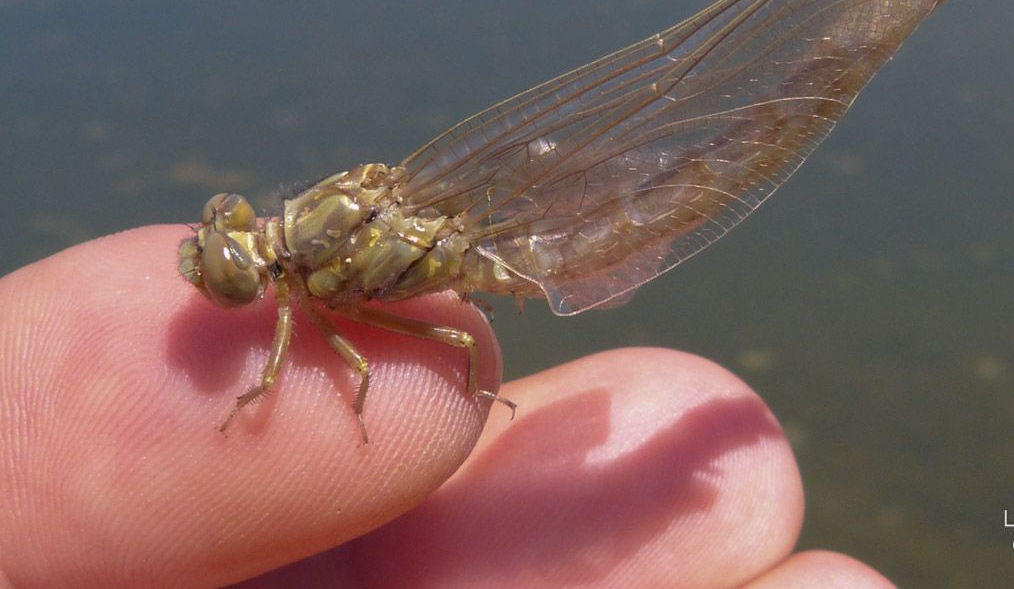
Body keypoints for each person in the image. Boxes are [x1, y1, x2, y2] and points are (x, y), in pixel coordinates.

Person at [0, 226, 894, 588]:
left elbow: (302, 365)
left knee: (462, 346)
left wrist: (261, 400)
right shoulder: (309, 278)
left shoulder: (305, 292)